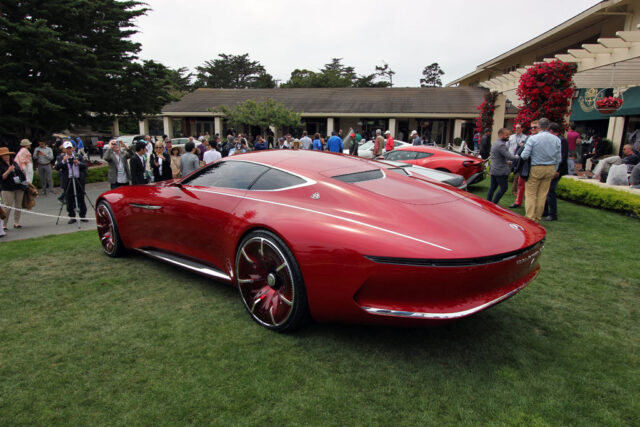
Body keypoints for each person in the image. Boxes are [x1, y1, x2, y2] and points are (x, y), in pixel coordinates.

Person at [520, 118, 561, 221]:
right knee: (542, 194)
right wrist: (555, 169)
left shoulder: (533, 138)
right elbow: (558, 158)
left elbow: (524, 155)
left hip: (536, 167)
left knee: (531, 193)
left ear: (538, 126)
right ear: (548, 126)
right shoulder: (556, 139)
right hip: (550, 167)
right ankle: (538, 217)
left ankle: (530, 217)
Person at [55, 141, 88, 223]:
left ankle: (83, 215)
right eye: (67, 148)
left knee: (81, 197)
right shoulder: (60, 157)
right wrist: (63, 161)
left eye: (70, 148)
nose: (69, 150)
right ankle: (72, 216)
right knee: (69, 198)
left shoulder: (78, 156)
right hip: (68, 180)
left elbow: (85, 165)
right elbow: (57, 167)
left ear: (72, 148)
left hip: (78, 179)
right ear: (64, 149)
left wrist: (78, 163)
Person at [542, 122, 569, 221]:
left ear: (551, 131)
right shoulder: (557, 140)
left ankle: (553, 214)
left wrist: (558, 170)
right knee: (546, 190)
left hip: (557, 170)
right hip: (552, 168)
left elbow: (562, 157)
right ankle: (545, 211)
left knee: (550, 190)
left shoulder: (561, 140)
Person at [510, 121, 537, 208]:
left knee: (532, 187)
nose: (533, 129)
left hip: (533, 165)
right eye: (532, 127)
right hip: (524, 163)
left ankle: (532, 206)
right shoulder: (528, 137)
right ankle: (518, 202)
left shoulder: (531, 138)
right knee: (520, 183)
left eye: (535, 127)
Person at [487, 128, 518, 204]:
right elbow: (509, 157)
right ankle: (494, 203)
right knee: (504, 188)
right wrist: (518, 157)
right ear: (500, 135)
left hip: (494, 169)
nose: (508, 136)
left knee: (493, 187)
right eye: (507, 135)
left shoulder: (496, 142)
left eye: (509, 134)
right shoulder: (501, 145)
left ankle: (488, 203)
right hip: (500, 171)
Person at [0, 146, 27, 230]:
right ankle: (4, 224)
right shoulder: (1, 166)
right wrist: (8, 171)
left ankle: (16, 222)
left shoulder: (14, 163)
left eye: (7, 155)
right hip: (7, 188)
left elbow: (21, 174)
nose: (6, 157)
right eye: (4, 155)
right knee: (8, 206)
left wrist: (25, 184)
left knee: (18, 205)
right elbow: (2, 178)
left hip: (18, 186)